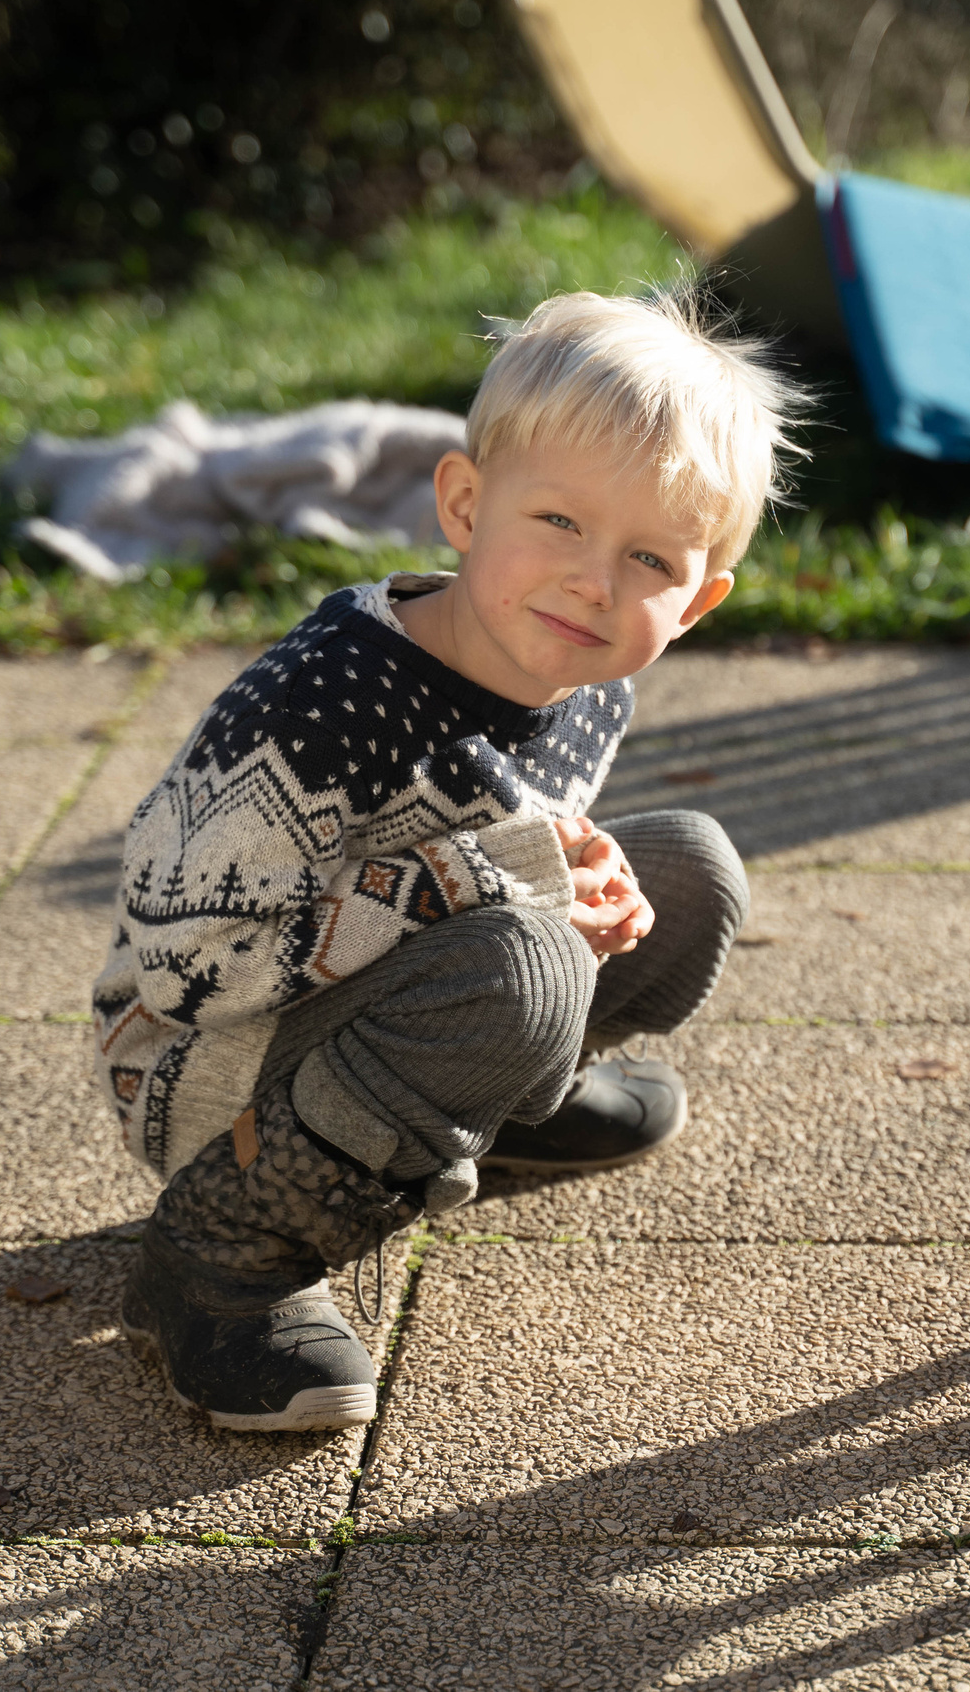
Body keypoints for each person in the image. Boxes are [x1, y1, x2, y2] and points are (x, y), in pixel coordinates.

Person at [93, 285, 805, 1431]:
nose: (594, 582)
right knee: (523, 971)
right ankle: (221, 1252)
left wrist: (571, 881)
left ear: (699, 601)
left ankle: (510, 1094)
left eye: (649, 559)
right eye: (559, 525)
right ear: (466, 505)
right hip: (202, 1062)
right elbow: (192, 967)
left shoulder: (586, 677)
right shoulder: (324, 700)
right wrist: (495, 886)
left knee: (691, 869)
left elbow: (503, 859)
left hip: (392, 983)